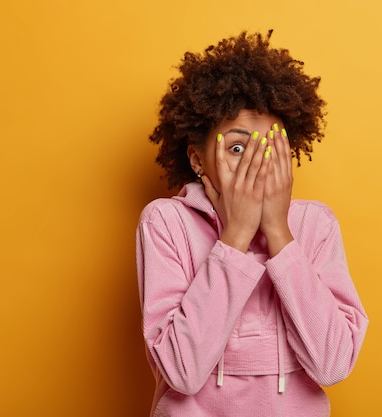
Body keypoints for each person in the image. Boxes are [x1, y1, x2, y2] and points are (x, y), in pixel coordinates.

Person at [136, 30, 368, 417]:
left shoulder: (315, 224)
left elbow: (333, 365)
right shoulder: (165, 222)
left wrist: (279, 233)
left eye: (269, 149)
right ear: (197, 159)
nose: (254, 165)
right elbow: (182, 372)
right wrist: (236, 235)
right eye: (238, 148)